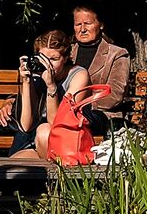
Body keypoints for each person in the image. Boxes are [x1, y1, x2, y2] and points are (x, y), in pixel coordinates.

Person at [0, 5, 129, 137]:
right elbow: (38, 84)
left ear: (101, 25)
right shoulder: (61, 50)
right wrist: (11, 102)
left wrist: (77, 99)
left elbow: (115, 95)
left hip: (95, 115)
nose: (82, 29)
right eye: (78, 24)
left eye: (87, 23)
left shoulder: (117, 54)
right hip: (53, 112)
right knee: (29, 127)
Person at [7, 29, 90, 158]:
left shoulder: (79, 75)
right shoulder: (36, 75)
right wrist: (26, 82)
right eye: (43, 59)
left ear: (66, 58)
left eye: (54, 59)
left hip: (69, 140)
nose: (48, 64)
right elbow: (25, 126)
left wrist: (51, 87)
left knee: (44, 131)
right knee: (14, 164)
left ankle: (53, 178)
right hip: (38, 142)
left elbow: (56, 123)